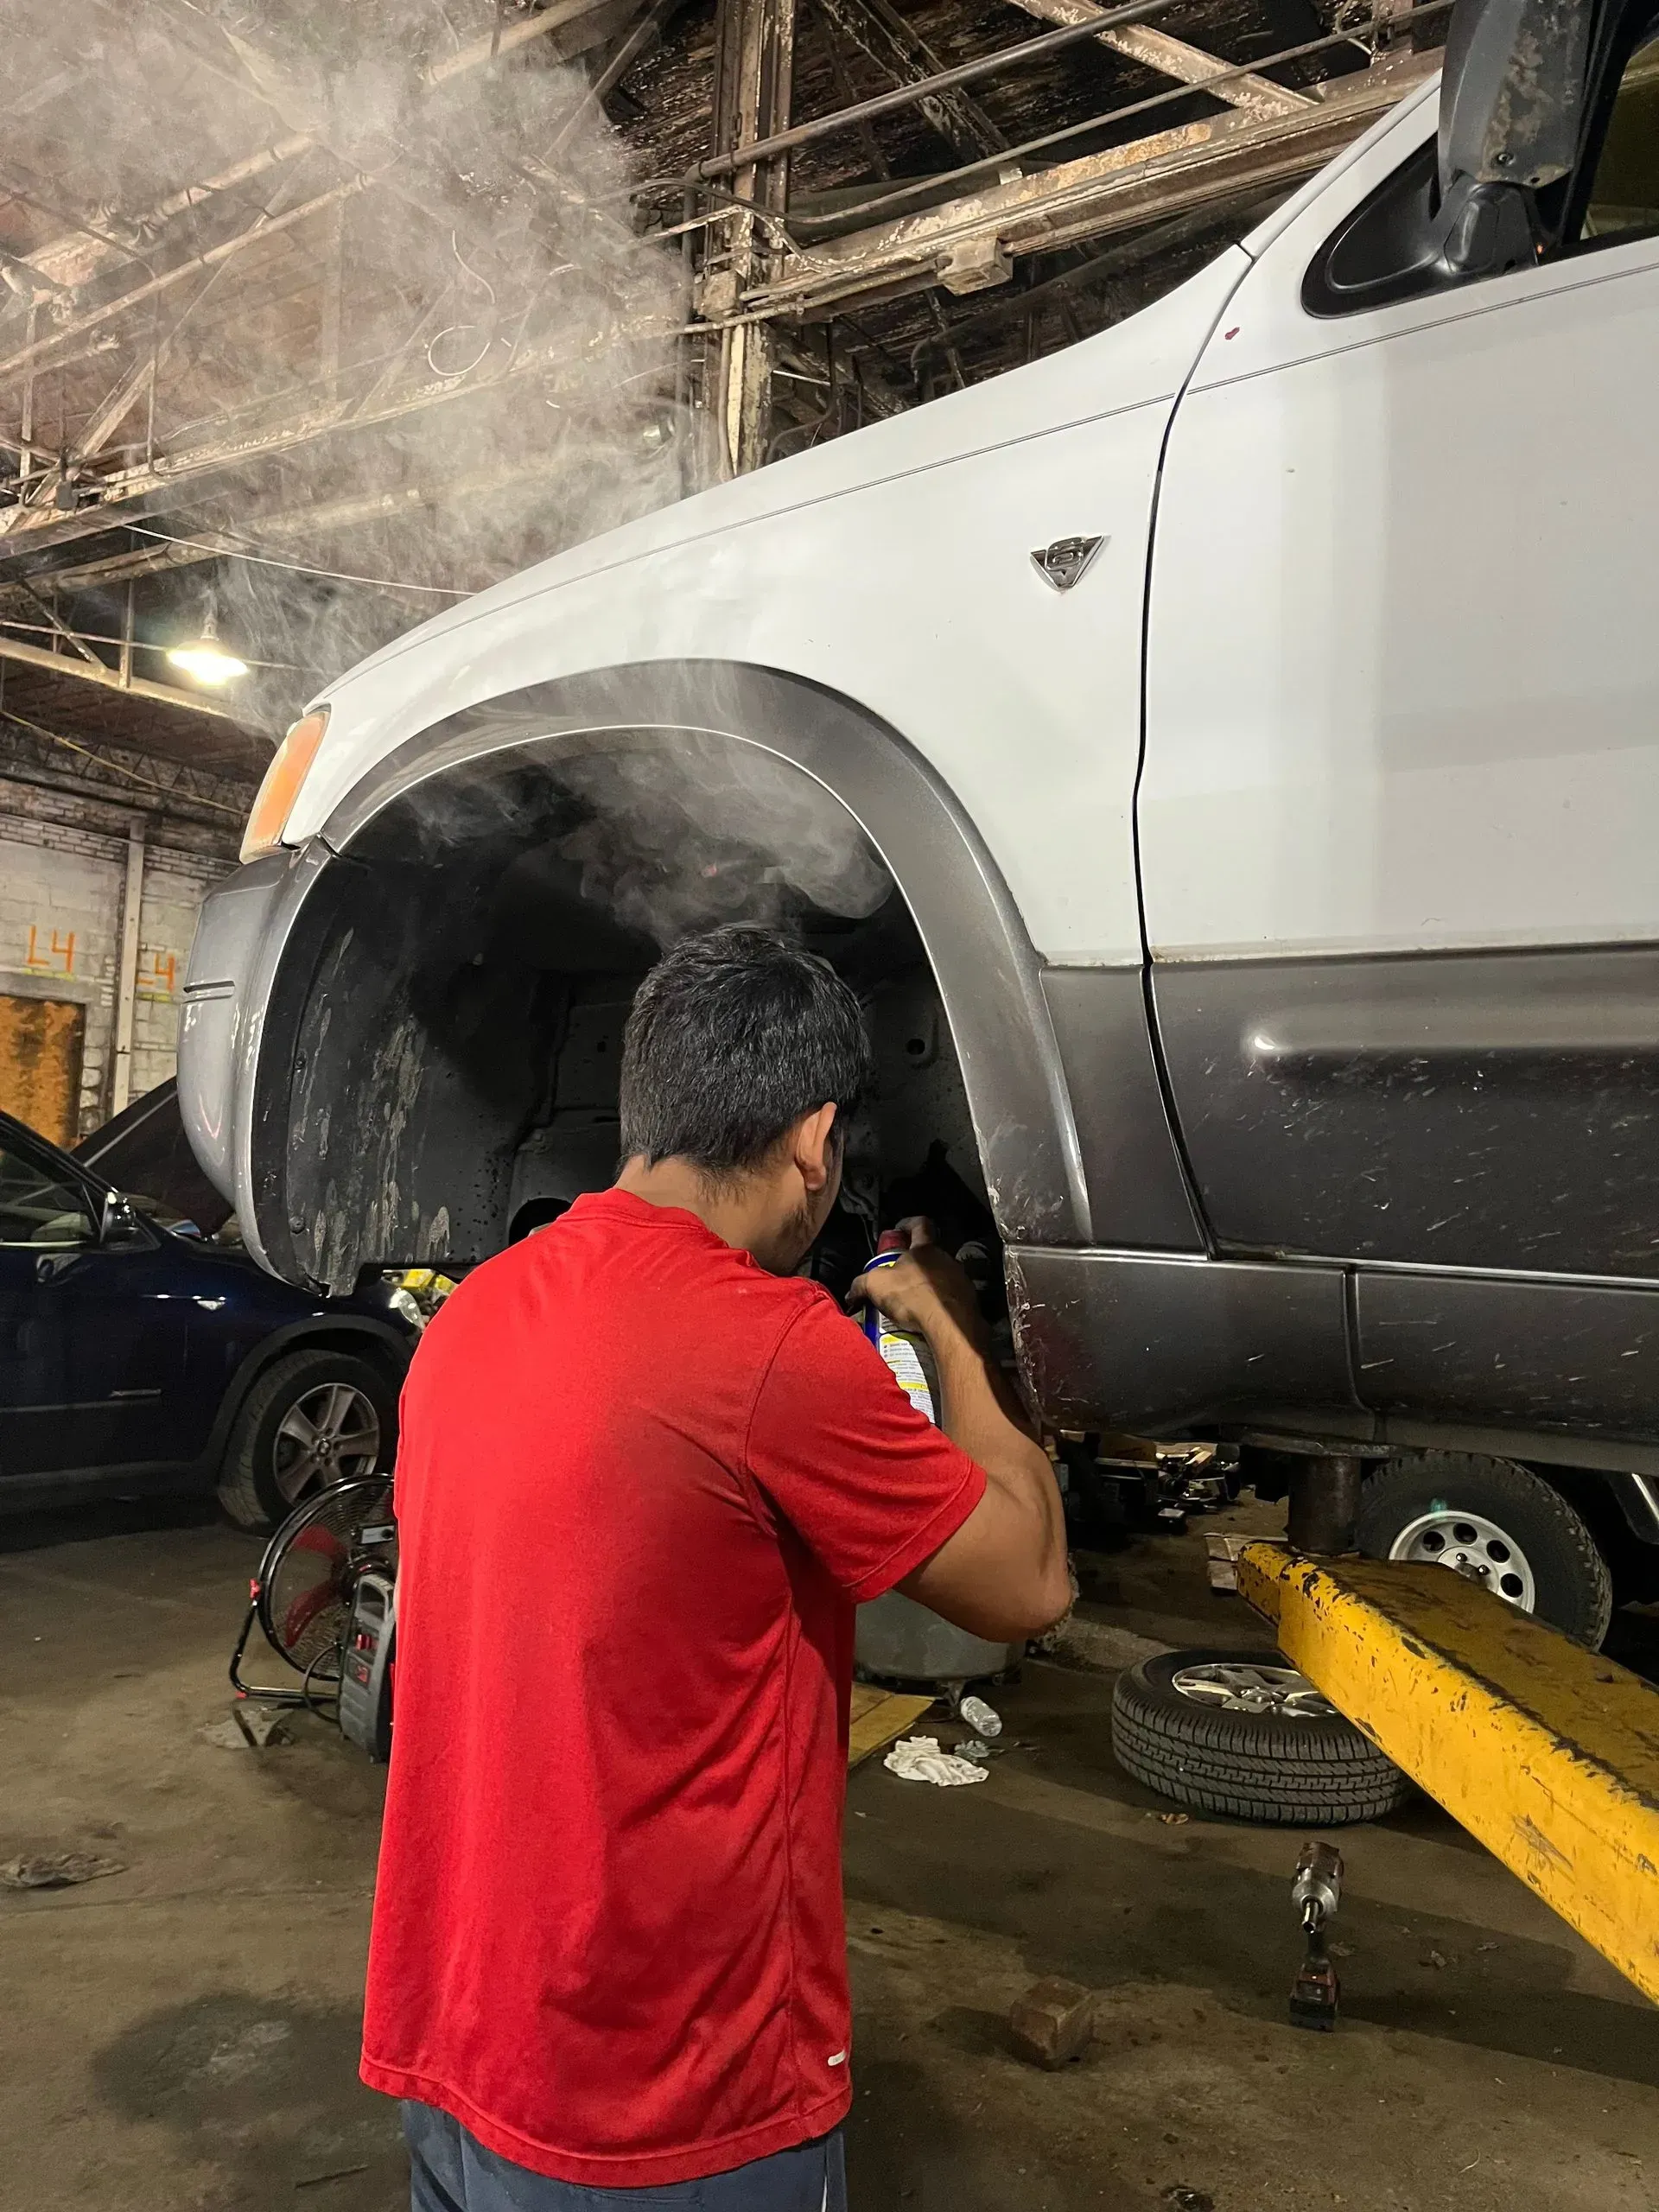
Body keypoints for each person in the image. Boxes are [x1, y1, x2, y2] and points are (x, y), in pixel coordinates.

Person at [361, 921, 1070, 2211]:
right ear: (815, 1138)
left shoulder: (471, 1321)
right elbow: (1029, 1585)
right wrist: (951, 1323)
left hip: (458, 2063)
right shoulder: (772, 1345)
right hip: (666, 2112)